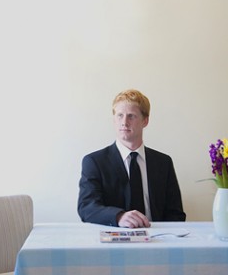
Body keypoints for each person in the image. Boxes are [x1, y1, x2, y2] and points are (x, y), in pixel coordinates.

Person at [77, 89, 186, 228]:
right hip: (114, 239)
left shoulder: (163, 163)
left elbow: (176, 214)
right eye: (119, 115)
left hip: (158, 239)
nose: (124, 122)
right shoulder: (94, 162)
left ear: (145, 121)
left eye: (131, 116)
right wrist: (119, 216)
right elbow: (87, 208)